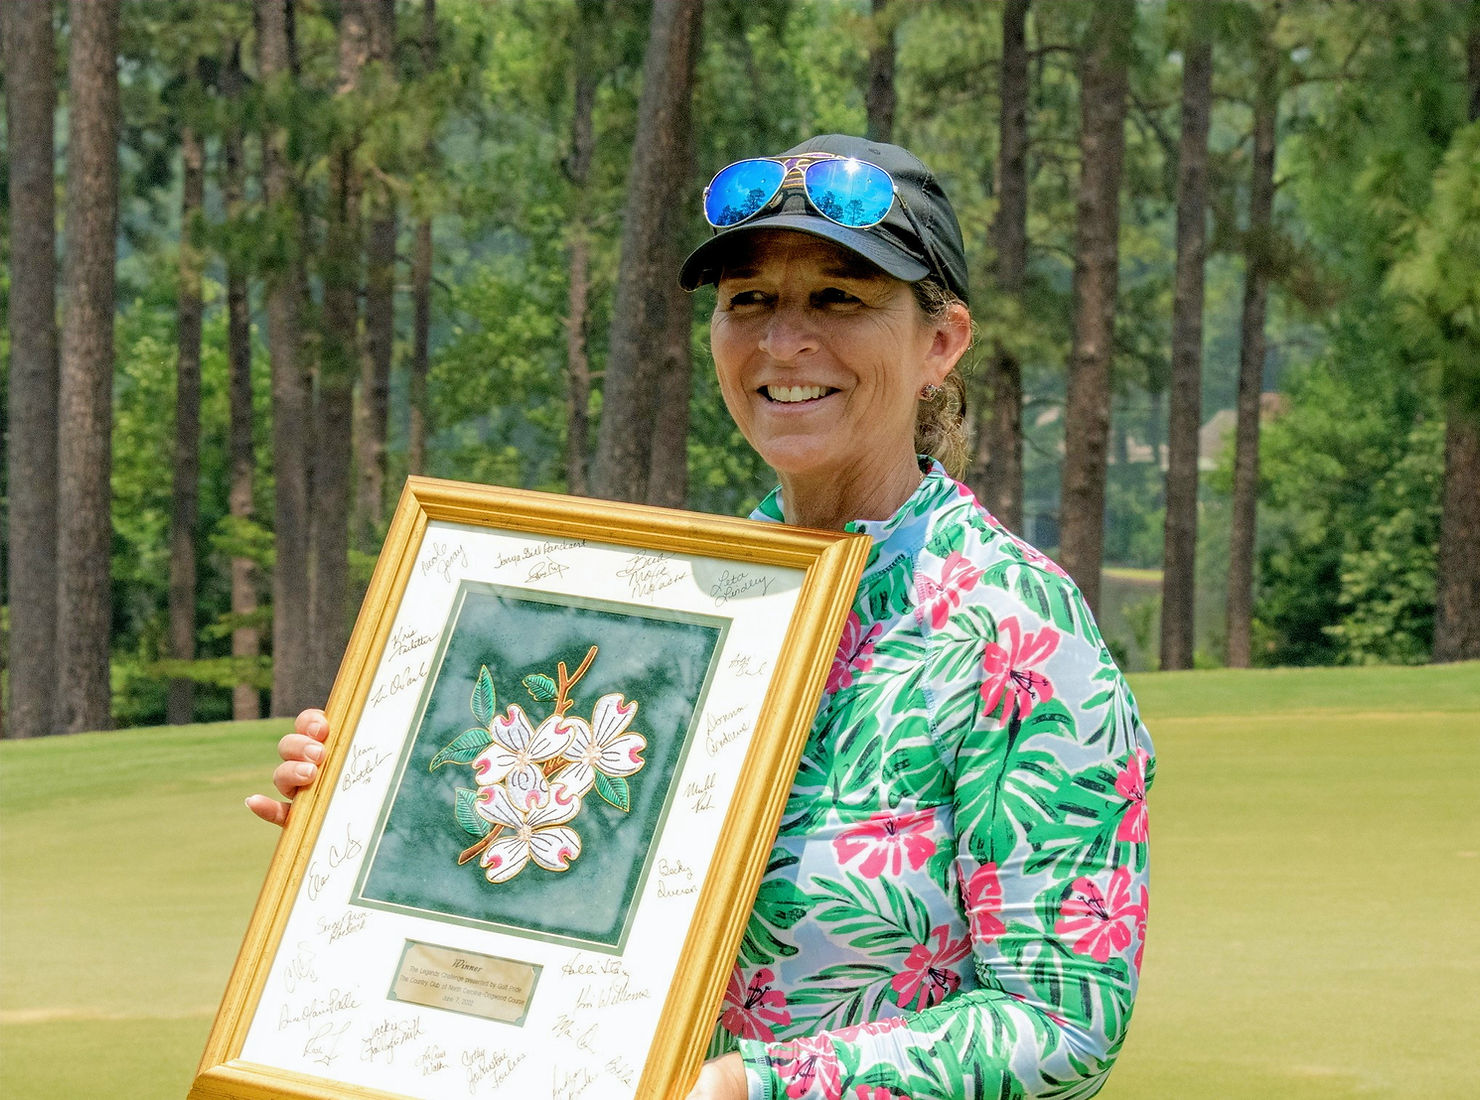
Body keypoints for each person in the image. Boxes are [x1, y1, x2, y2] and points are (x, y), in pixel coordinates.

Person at [249, 134, 1154, 1100]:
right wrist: (381, 813)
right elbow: (564, 883)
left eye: (838, 297)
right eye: (748, 300)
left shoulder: (1016, 630)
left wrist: (747, 1088)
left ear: (942, 343)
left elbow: (1063, 1022)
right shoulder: (684, 604)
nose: (783, 341)